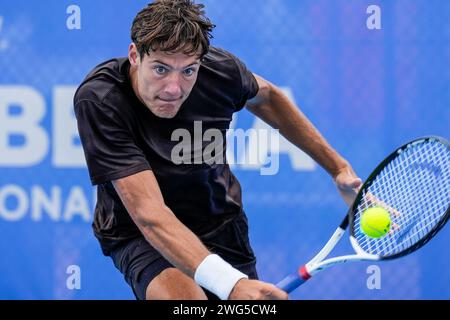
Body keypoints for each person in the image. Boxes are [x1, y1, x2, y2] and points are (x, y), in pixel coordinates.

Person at [74, 0, 362, 300]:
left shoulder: (220, 72)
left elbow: (268, 99)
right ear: (135, 56)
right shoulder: (101, 99)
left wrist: (339, 168)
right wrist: (232, 284)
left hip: (219, 222)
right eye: (160, 69)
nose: (174, 87)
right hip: (141, 232)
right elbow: (150, 215)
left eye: (188, 71)